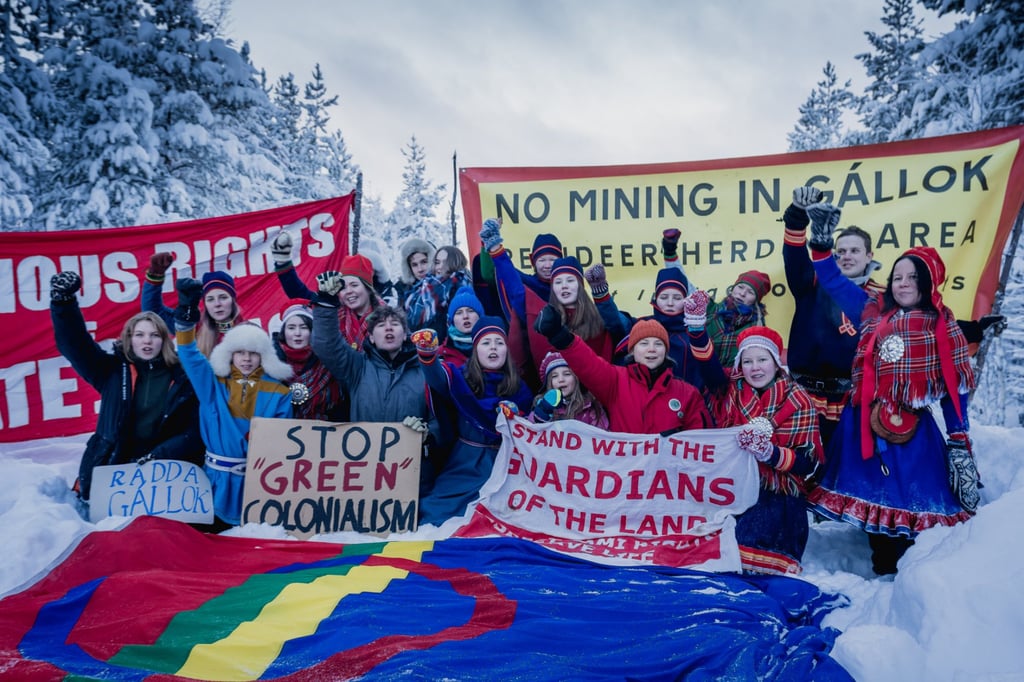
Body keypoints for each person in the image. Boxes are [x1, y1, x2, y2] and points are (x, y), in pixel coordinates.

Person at [806, 246, 978, 575]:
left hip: (912, 433)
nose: (901, 283)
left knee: (909, 504)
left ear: (929, 282)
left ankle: (910, 576)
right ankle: (883, 570)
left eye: (912, 277)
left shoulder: (943, 326)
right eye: (896, 277)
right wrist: (822, 243)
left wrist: (958, 439)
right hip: (863, 424)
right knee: (875, 500)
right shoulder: (873, 311)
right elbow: (832, 280)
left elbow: (956, 391)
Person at [686, 302, 824, 575]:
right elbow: (708, 366)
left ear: (776, 363)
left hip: (778, 493)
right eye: (747, 361)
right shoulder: (729, 390)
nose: (755, 368)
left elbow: (807, 463)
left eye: (762, 360)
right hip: (731, 487)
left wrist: (769, 454)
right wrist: (697, 330)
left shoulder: (798, 400)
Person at [49, 272, 204, 502]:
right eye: (139, 334)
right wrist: (63, 303)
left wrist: (159, 456)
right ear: (129, 339)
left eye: (154, 335)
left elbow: (192, 431)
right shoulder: (111, 370)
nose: (147, 341)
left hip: (165, 476)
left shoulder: (183, 377)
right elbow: (75, 345)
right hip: (111, 472)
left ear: (164, 339)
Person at [173, 281, 293, 528]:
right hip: (214, 484)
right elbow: (190, 355)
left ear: (263, 355)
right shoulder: (213, 385)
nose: (247, 359)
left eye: (253, 352)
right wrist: (186, 319)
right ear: (230, 355)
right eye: (240, 352)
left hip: (259, 488)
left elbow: (280, 442)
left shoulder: (279, 392)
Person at [309, 275, 439, 493]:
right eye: (380, 325)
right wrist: (326, 303)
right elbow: (326, 345)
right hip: (364, 475)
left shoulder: (426, 371)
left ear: (405, 334)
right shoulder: (357, 367)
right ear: (370, 337)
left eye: (395, 324)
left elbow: (442, 418)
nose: (388, 329)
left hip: (413, 477)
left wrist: (429, 434)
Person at [782, 187, 886, 449]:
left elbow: (919, 324)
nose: (846, 256)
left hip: (852, 401)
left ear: (869, 256)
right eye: (840, 251)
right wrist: (797, 214)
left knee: (840, 478)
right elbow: (794, 258)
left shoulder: (883, 299)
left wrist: (972, 331)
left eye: (854, 250)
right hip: (802, 396)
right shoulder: (812, 285)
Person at [412, 317, 533, 526]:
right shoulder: (462, 378)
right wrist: (427, 356)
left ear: (506, 349)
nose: (493, 348)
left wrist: (517, 417)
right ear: (476, 350)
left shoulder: (520, 388)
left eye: (499, 342)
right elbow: (439, 379)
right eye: (486, 343)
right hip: (466, 463)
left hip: (504, 467)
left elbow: (531, 427)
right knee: (433, 513)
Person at [535, 307, 711, 435]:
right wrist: (558, 334)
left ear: (666, 351)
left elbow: (703, 442)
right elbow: (587, 363)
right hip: (626, 481)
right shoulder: (616, 381)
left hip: (668, 480)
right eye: (644, 343)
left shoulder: (687, 394)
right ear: (633, 351)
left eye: (658, 344)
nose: (652, 349)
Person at [271, 234, 382, 350]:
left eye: (354, 285)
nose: (349, 291)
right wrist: (282, 262)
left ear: (368, 288)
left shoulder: (385, 317)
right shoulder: (334, 310)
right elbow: (299, 293)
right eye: (343, 287)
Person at [142, 252, 244, 356]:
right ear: (205, 304)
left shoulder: (249, 332)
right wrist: (154, 278)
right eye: (210, 299)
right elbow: (153, 313)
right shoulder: (192, 327)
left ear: (233, 300)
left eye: (223, 297)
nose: (217, 304)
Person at [272, 301, 347, 422]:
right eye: (291, 328)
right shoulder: (271, 366)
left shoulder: (329, 363)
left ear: (313, 331)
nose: (297, 333)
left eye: (304, 327)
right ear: (283, 332)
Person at [529, 351, 609, 429]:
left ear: (576, 379)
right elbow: (529, 432)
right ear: (549, 383)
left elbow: (602, 436)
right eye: (554, 376)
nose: (561, 379)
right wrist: (541, 413)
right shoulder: (542, 404)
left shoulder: (591, 408)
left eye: (567, 374)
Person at [439, 287, 485, 367]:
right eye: (459, 313)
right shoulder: (441, 354)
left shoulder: (493, 347)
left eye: (470, 311)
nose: (465, 316)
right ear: (452, 321)